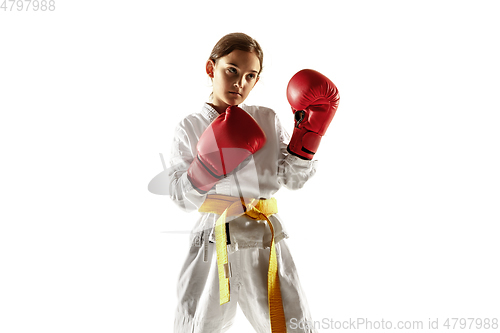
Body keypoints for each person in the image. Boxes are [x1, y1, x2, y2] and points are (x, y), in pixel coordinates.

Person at [165, 32, 339, 333]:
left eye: (250, 76)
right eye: (231, 70)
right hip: (213, 238)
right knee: (197, 326)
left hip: (264, 237)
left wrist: (309, 135)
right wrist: (207, 168)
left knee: (292, 325)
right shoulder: (190, 126)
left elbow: (292, 180)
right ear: (211, 68)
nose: (240, 83)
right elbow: (180, 198)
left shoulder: (266, 119)